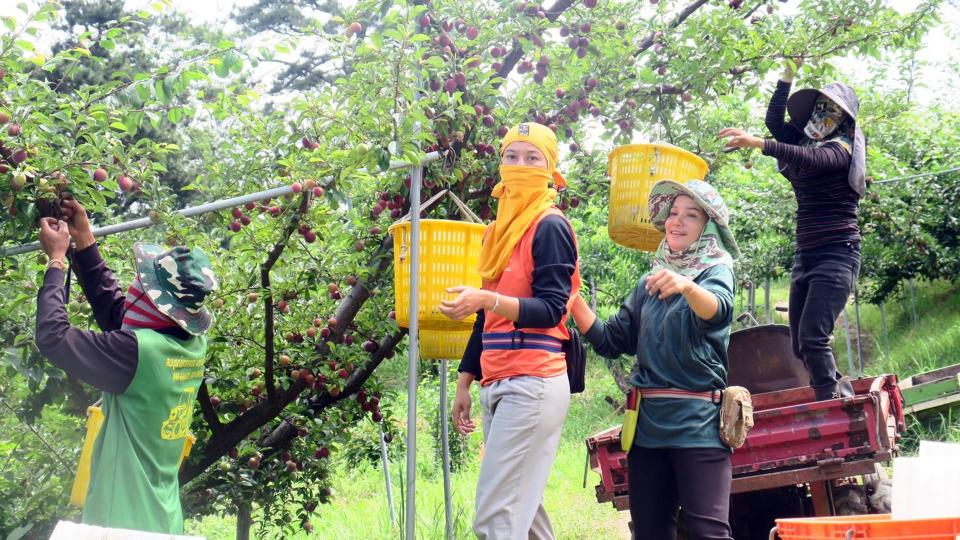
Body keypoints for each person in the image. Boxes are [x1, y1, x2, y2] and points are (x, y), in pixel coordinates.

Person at [569, 179, 738, 540]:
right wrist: (570, 297)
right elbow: (612, 340)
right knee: (649, 533)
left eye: (690, 216)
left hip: (698, 426)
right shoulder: (651, 280)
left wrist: (688, 285)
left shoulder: (716, 270)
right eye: (673, 213)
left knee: (709, 534)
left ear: (707, 226)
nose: (677, 222)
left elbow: (718, 311)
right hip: (647, 430)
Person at [35, 199, 217, 534]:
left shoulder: (135, 353)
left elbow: (52, 337)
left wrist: (57, 262)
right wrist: (84, 241)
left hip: (122, 525)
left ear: (154, 303)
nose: (133, 287)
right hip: (163, 518)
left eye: (141, 285)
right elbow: (119, 319)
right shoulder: (190, 345)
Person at [439, 122, 580, 540]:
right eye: (511, 157)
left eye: (532, 158)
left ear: (550, 168)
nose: (520, 166)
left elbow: (553, 308)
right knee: (526, 514)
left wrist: (486, 300)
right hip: (500, 379)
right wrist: (466, 381)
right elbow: (488, 318)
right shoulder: (499, 231)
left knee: (496, 520)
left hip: (532, 381)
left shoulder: (548, 226)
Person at [720, 58, 865, 400]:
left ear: (844, 120)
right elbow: (773, 121)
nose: (823, 116)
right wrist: (787, 75)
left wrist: (758, 145)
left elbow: (812, 160)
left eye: (832, 112)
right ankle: (837, 393)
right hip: (806, 255)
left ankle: (829, 408)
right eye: (820, 108)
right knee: (800, 345)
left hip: (837, 253)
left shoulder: (840, 151)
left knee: (814, 337)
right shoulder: (807, 142)